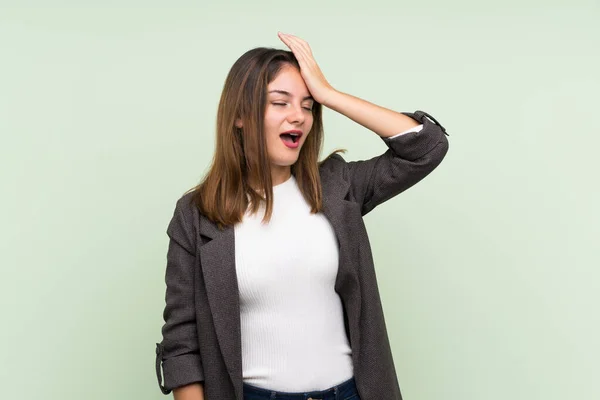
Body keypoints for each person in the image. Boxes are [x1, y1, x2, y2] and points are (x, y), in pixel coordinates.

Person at [155, 32, 450, 400]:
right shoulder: (196, 215)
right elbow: (182, 343)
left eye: (308, 106)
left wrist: (330, 94)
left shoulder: (337, 186)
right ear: (241, 117)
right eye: (281, 103)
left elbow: (426, 147)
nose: (298, 116)